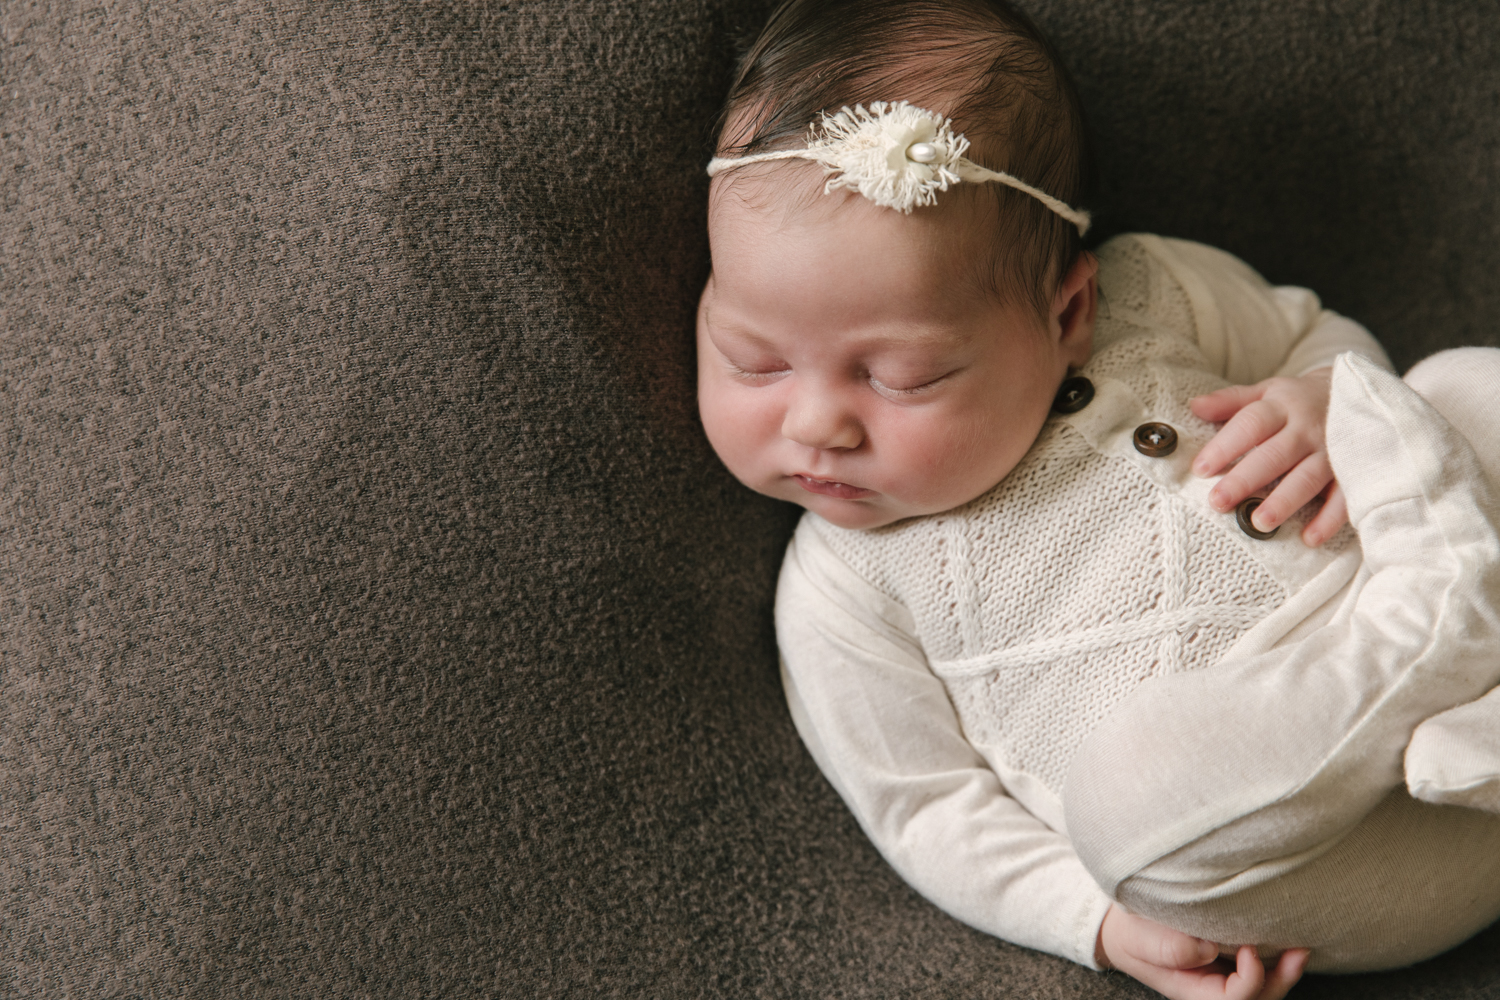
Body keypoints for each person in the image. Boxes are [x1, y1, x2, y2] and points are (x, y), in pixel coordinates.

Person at [694, 1, 1500, 997]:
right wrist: (1097, 922)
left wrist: (1319, 397)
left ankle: (1450, 661)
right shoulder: (844, 590)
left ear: (1067, 311)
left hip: (1371, 595)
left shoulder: (1154, 293)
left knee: (1467, 385)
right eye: (751, 357)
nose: (818, 422)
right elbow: (926, 807)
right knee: (1136, 814)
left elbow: (1314, 334)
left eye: (900, 375)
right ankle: (1450, 629)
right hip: (1347, 849)